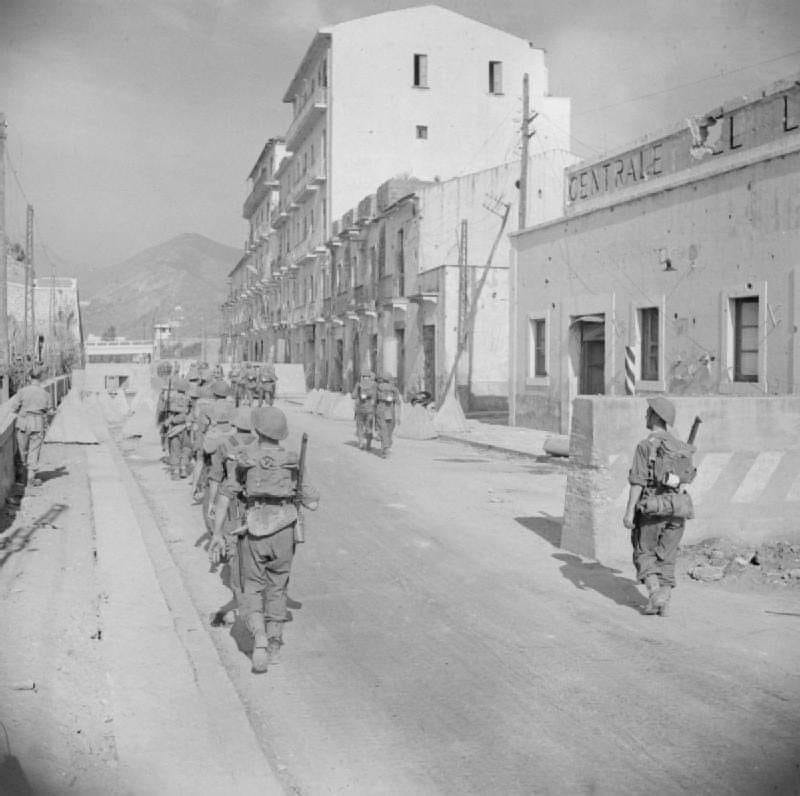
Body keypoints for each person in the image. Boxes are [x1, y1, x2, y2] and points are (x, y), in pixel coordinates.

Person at [209, 407, 318, 674]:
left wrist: (217, 533)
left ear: (257, 430)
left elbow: (225, 496)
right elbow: (313, 502)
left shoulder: (245, 458)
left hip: (255, 529)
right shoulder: (292, 461)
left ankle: (259, 637)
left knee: (253, 587)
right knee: (278, 588)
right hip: (285, 533)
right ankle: (275, 645)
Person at [623, 397, 687, 617]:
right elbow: (684, 480)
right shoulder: (680, 446)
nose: (645, 415)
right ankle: (663, 603)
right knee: (667, 557)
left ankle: (655, 593)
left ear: (655, 416)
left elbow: (638, 481)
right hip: (677, 509)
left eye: (648, 412)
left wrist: (629, 511)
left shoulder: (645, 445)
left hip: (652, 508)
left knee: (644, 553)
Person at [8, 366, 53, 486]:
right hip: (37, 423)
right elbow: (50, 411)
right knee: (34, 451)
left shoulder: (22, 391)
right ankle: (30, 478)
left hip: (23, 422)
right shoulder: (45, 394)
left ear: (29, 377)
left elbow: (13, 408)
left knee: (21, 451)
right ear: (41, 378)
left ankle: (21, 478)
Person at [164, 378, 192, 480]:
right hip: (186, 427)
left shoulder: (172, 398)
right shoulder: (188, 399)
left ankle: (176, 472)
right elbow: (190, 412)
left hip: (175, 427)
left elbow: (169, 412)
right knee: (186, 448)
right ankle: (183, 469)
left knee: (175, 449)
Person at [374, 374, 400, 458]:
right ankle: (386, 446)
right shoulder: (394, 389)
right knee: (389, 428)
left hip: (381, 408)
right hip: (389, 409)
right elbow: (398, 401)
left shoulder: (377, 387)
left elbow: (374, 400)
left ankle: (386, 446)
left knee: (384, 428)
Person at [352, 370, 377, 450]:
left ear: (362, 376)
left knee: (360, 427)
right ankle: (368, 444)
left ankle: (361, 443)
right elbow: (375, 397)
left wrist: (358, 395)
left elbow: (353, 395)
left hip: (360, 409)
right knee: (369, 427)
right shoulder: (374, 385)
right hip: (370, 410)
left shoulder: (358, 384)